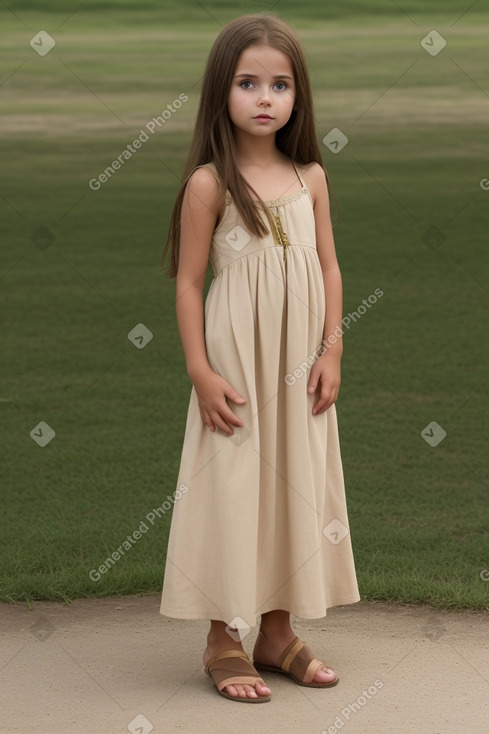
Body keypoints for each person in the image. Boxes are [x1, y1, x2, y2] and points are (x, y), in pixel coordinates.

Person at [159, 13, 360, 703]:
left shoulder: (310, 177)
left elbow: (330, 269)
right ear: (222, 92)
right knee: (234, 484)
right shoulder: (209, 185)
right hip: (238, 367)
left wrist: (332, 349)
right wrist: (199, 369)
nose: (265, 98)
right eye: (248, 83)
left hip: (300, 365)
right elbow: (189, 283)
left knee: (294, 485)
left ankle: (276, 630)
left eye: (280, 84)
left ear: (297, 96)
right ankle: (223, 635)